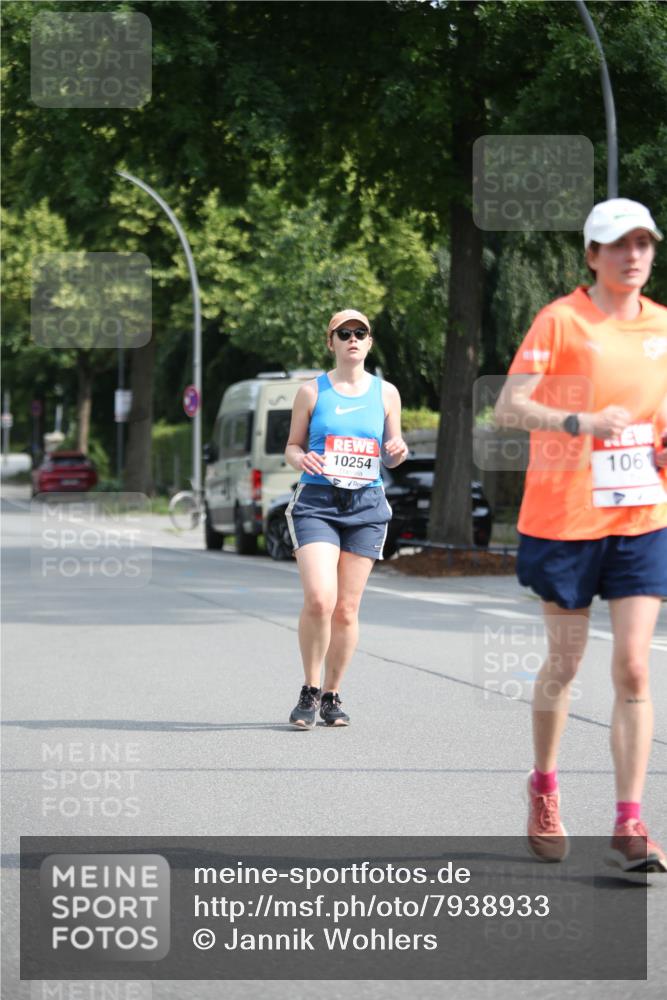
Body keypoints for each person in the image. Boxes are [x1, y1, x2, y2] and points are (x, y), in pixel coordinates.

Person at [495, 198, 667, 873]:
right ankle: (543, 784)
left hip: (639, 519)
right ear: (590, 255)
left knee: (632, 665)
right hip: (565, 521)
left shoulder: (661, 327)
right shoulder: (559, 320)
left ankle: (628, 823)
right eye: (616, 245)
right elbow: (510, 404)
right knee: (564, 665)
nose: (632, 256)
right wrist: (579, 423)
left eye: (643, 244)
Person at [284, 308, 408, 729]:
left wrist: (398, 450)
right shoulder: (312, 392)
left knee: (347, 610)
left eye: (361, 332)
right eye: (344, 333)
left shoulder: (386, 393)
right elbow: (292, 448)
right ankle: (309, 687)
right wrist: (304, 457)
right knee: (321, 598)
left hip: (366, 506)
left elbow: (394, 443)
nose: (353, 338)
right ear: (331, 342)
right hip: (317, 502)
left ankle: (333, 694)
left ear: (370, 342)